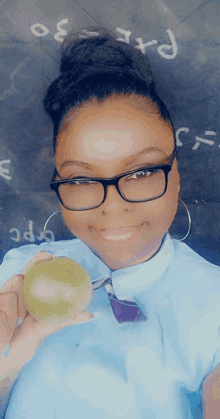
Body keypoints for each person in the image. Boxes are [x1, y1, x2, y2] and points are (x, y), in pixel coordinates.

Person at [0, 26, 219, 419]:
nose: (113, 207)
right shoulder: (15, 277)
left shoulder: (215, 308)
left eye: (141, 172)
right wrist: (8, 363)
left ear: (176, 174)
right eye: (81, 179)